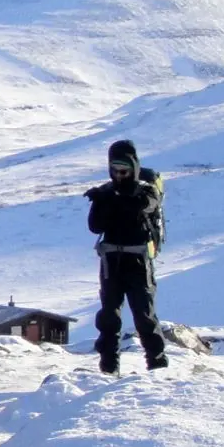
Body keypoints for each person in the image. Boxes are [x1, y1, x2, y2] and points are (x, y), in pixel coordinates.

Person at [85, 139, 167, 374]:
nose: (119, 175)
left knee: (144, 316)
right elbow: (95, 226)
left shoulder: (147, 191)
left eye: (124, 170)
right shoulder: (106, 193)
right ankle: (108, 368)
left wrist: (113, 198)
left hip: (139, 262)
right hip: (111, 262)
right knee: (109, 318)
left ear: (134, 167)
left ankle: (157, 366)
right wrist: (101, 201)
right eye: (115, 170)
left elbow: (142, 206)